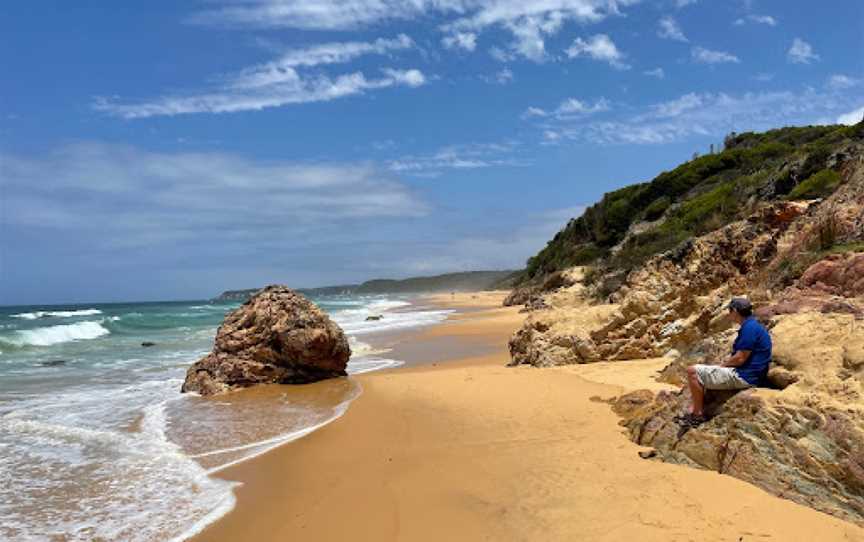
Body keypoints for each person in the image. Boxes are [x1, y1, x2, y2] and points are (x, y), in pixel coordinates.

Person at [677, 297, 772, 427]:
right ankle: (694, 410)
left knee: (692, 371)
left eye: (729, 311)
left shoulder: (749, 329)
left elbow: (740, 358)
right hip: (751, 374)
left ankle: (697, 415)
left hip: (745, 376)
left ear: (735, 311)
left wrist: (722, 366)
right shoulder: (754, 326)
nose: (728, 314)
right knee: (705, 373)